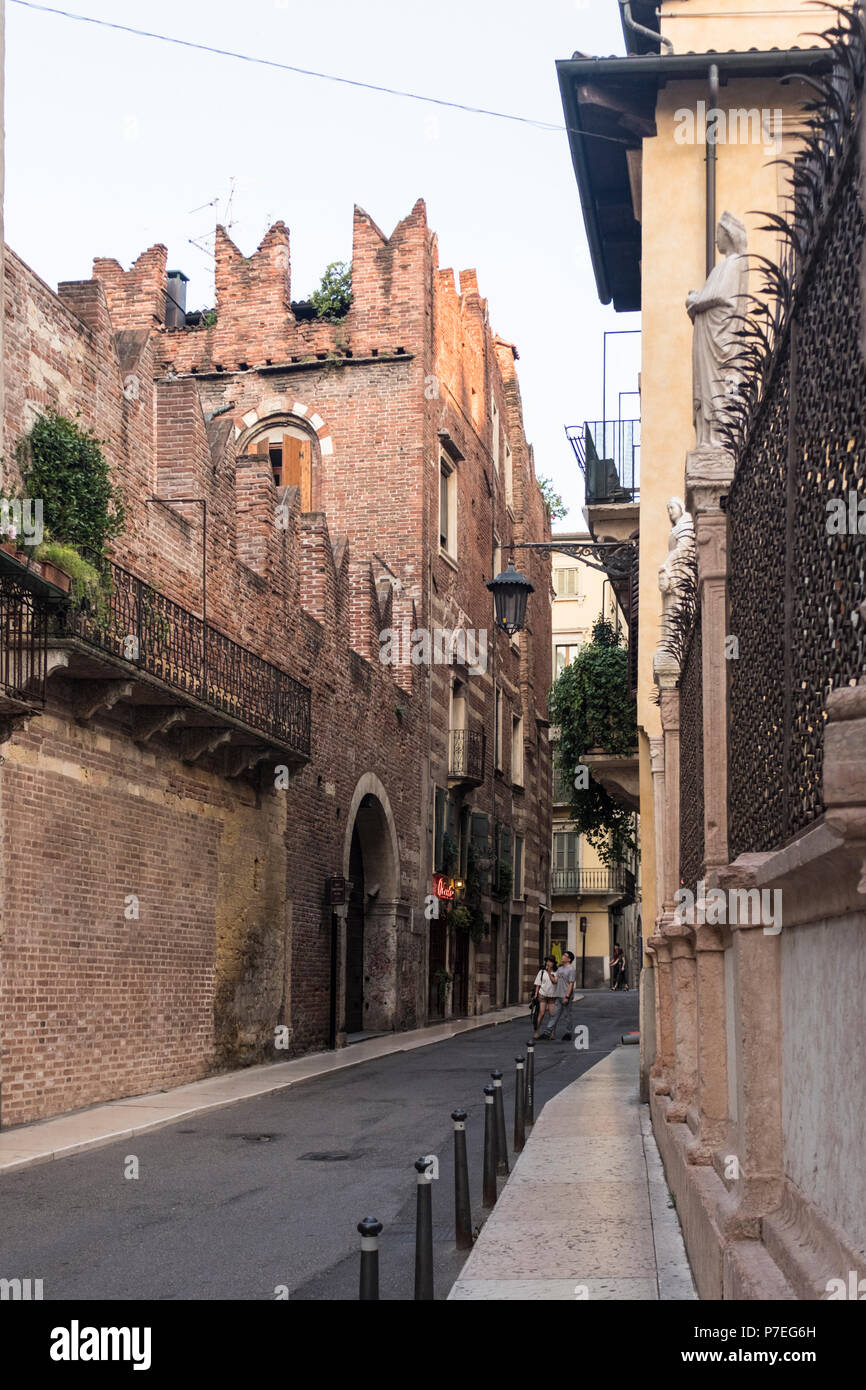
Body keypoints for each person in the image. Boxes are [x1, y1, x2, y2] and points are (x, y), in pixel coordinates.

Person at [541, 950, 576, 1040]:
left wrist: (567, 996)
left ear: (569, 959)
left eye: (564, 955)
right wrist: (549, 973)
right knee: (555, 1015)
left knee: (567, 1015)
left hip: (566, 996)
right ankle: (547, 1033)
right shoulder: (560, 969)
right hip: (558, 995)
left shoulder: (571, 969)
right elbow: (555, 981)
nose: (562, 956)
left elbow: (571, 984)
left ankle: (568, 1033)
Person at [531, 957, 558, 1039]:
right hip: (542, 995)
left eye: (550, 962)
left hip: (552, 996)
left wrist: (549, 973)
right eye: (547, 961)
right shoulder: (542, 972)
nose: (548, 963)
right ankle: (536, 1032)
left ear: (553, 963)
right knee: (541, 1013)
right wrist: (536, 994)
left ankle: (552, 1033)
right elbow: (538, 984)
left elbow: (555, 981)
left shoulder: (556, 972)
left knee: (552, 1015)